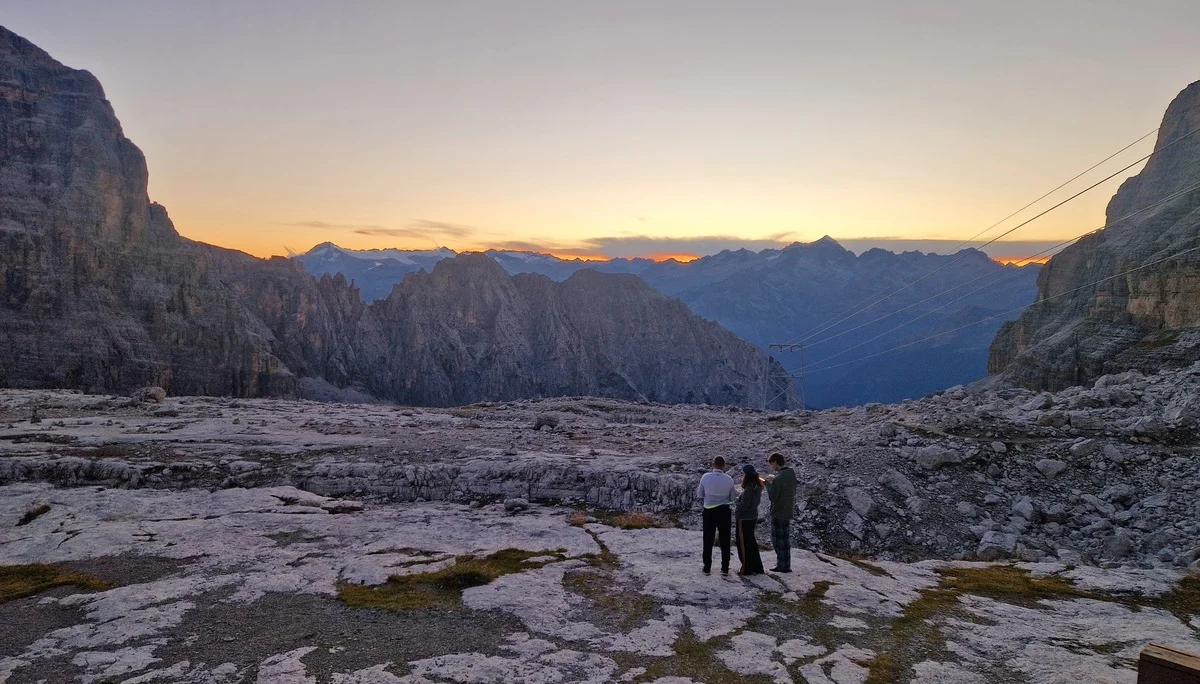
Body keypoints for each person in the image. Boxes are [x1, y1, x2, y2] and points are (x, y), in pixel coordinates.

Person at [696, 456, 735, 574]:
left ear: (713, 465)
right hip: (724, 510)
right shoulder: (729, 479)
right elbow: (732, 498)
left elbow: (700, 494)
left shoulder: (705, 477)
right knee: (725, 539)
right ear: (724, 466)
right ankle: (725, 567)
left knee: (708, 539)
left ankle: (707, 567)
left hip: (709, 510)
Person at [764, 452, 797, 573]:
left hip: (778, 512)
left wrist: (767, 484)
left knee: (778, 541)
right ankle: (786, 565)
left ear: (775, 462)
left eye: (771, 464)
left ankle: (781, 566)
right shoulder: (791, 474)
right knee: (785, 540)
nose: (771, 466)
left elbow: (773, 497)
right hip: (788, 511)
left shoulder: (778, 478)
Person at [734, 464, 765, 575]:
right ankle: (757, 567)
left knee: (743, 543)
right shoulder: (758, 486)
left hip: (744, 518)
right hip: (753, 516)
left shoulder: (748, 488)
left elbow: (744, 505)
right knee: (751, 541)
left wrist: (736, 500)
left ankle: (746, 568)